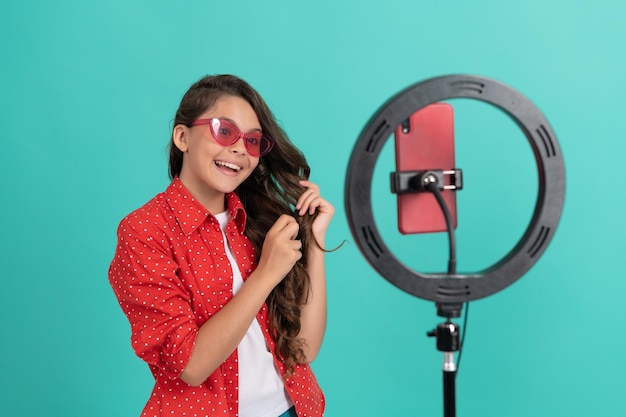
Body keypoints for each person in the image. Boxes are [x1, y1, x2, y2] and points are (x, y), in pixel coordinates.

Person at [108, 74, 335, 417]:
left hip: (292, 409)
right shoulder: (145, 231)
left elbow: (303, 351)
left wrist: (313, 242)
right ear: (182, 136)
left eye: (253, 141)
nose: (240, 149)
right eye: (223, 131)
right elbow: (191, 365)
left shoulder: (260, 222)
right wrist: (266, 273)